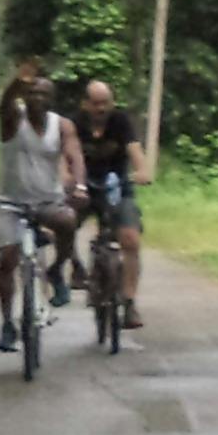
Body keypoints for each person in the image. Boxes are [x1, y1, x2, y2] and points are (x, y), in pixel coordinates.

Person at [0, 77, 83, 352]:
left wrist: (78, 185)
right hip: (13, 202)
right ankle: (8, 323)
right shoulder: (13, 121)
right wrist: (15, 84)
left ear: (51, 99)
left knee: (68, 222)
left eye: (43, 94)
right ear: (23, 96)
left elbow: (74, 156)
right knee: (7, 260)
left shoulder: (62, 126)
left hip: (47, 200)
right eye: (31, 93)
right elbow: (5, 104)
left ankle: (56, 271)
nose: (37, 98)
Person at [74, 76, 146, 331]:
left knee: (130, 239)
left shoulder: (121, 121)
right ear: (85, 105)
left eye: (105, 103)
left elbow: (135, 151)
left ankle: (128, 301)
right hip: (84, 188)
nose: (101, 109)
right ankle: (75, 267)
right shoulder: (76, 124)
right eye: (95, 103)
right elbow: (65, 153)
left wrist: (141, 171)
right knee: (60, 224)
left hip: (118, 187)